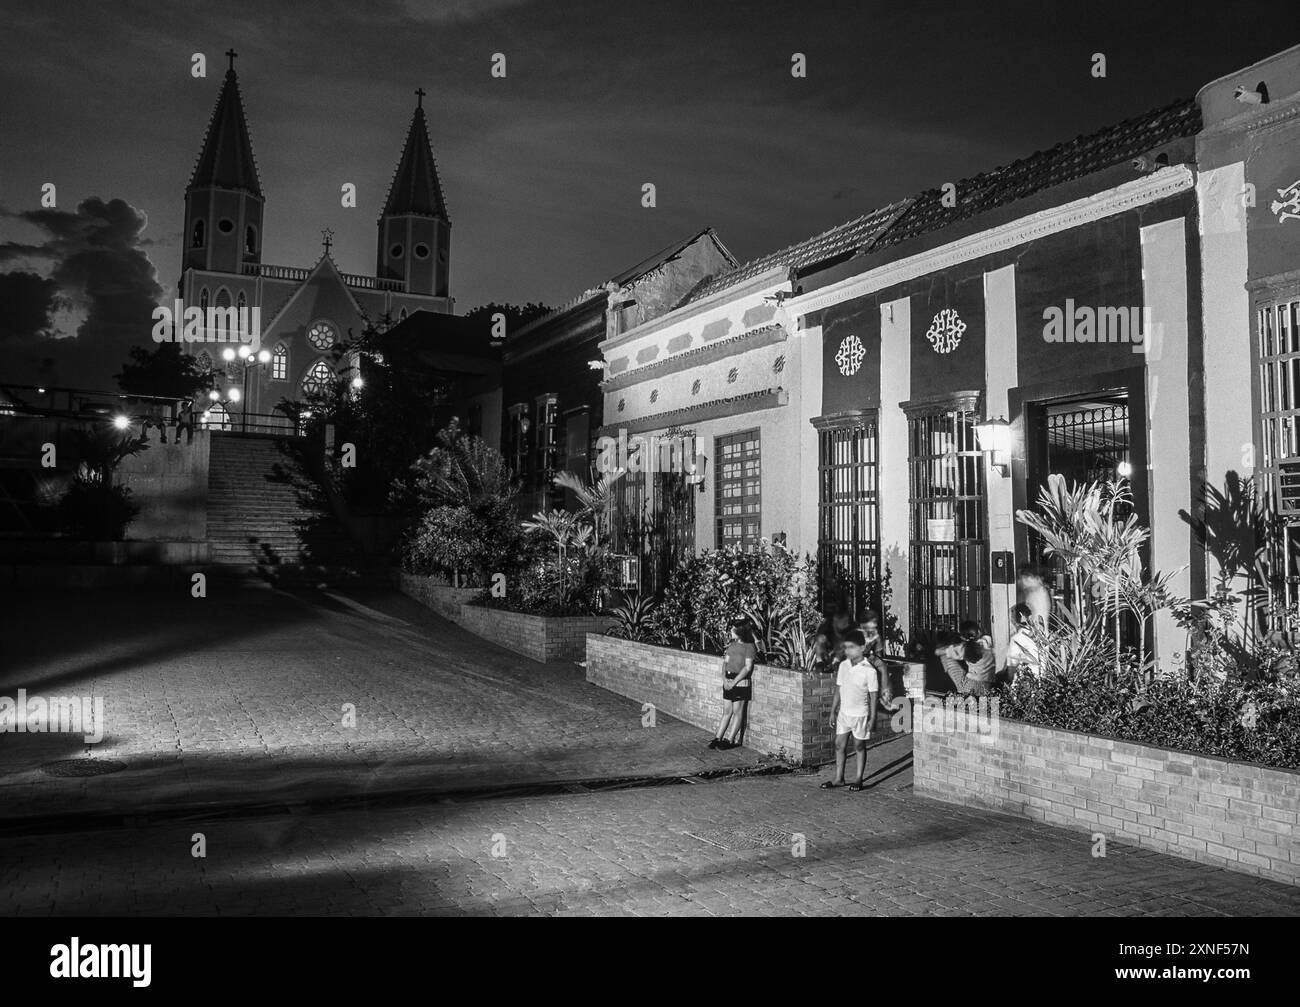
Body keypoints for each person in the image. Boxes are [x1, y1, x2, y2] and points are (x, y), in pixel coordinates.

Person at [821, 629, 878, 792]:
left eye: (852, 647)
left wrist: (872, 718)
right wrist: (833, 711)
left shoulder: (870, 670)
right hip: (844, 713)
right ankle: (839, 778)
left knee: (859, 745)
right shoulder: (843, 666)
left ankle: (859, 778)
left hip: (861, 714)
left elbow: (874, 696)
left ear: (861, 647)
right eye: (846, 647)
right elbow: (838, 689)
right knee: (839, 745)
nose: (848, 651)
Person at [709, 620, 756, 751]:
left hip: (740, 681)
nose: (731, 632)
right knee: (727, 711)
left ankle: (730, 740)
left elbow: (747, 668)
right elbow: (725, 663)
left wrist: (734, 682)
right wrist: (724, 679)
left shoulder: (749, 647)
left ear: (740, 632)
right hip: (728, 680)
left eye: (733, 630)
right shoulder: (732, 645)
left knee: (737, 712)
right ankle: (718, 738)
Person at [936, 621, 995, 697]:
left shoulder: (964, 648)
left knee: (946, 657)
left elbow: (941, 652)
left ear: (963, 637)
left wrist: (941, 649)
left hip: (970, 687)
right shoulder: (987, 641)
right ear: (979, 631)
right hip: (987, 686)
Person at [1003, 603, 1041, 682]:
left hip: (1025, 683)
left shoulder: (1017, 638)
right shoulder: (1040, 634)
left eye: (1011, 617)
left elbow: (1011, 668)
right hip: (1042, 681)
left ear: (1014, 620)